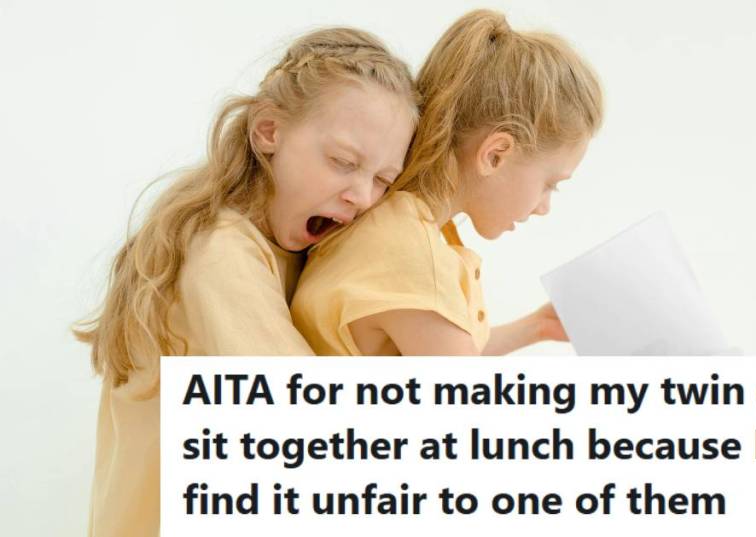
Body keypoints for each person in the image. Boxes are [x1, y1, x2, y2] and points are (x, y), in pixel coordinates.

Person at [74, 28, 418, 536]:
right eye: (344, 163)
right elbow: (309, 420)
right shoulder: (219, 251)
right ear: (268, 131)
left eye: (384, 180)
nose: (363, 196)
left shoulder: (289, 249)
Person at [291, 9, 603, 356]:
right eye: (549, 183)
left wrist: (535, 328)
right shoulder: (418, 264)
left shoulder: (389, 224)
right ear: (495, 154)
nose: (544, 207)